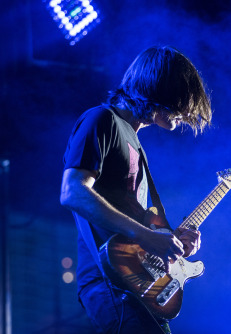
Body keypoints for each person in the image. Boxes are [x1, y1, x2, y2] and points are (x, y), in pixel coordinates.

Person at [60, 45, 212, 333]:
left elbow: (134, 222)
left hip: (141, 285)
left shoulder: (134, 142)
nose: (186, 112)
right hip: (113, 284)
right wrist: (147, 237)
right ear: (159, 87)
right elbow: (72, 192)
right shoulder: (102, 120)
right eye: (182, 98)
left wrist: (170, 241)